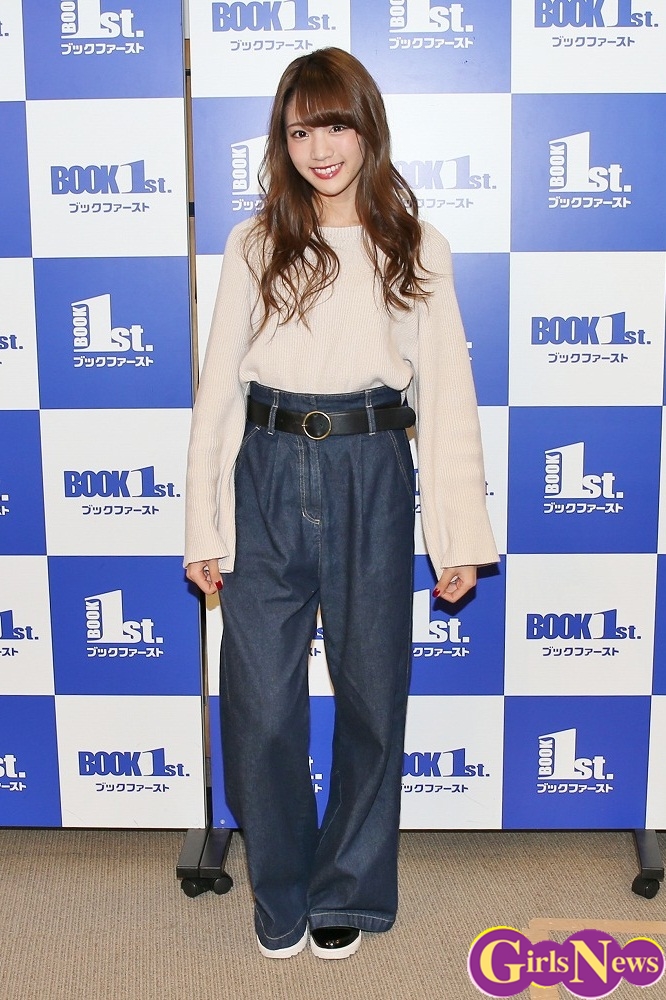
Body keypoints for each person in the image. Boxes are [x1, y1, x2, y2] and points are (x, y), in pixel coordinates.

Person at [184, 46, 498, 961]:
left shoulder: (417, 246)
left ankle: (348, 892)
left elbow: (446, 400)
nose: (319, 149)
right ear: (281, 142)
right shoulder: (254, 244)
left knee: (372, 698)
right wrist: (203, 523)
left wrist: (458, 537)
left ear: (367, 129)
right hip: (266, 472)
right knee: (260, 707)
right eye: (299, 131)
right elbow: (217, 393)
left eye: (335, 126)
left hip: (371, 471)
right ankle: (280, 889)